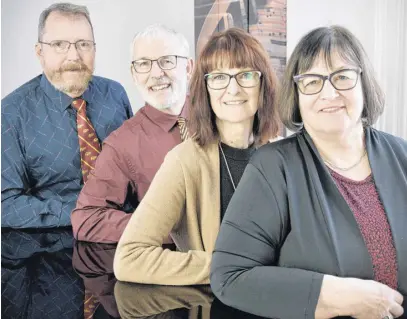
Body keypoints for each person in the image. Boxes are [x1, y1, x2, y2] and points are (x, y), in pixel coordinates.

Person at [210, 25, 406, 319]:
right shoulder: (272, 168)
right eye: (312, 81)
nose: (329, 92)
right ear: (297, 95)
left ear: (364, 84)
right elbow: (229, 276)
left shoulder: (402, 155)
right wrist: (341, 297)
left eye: (342, 77)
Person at [114, 27, 280, 285]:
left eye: (245, 75)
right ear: (204, 89)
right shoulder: (183, 161)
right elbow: (129, 258)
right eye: (219, 77)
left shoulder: (285, 154)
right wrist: (227, 267)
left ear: (263, 84)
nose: (233, 89)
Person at [1, 2, 132, 228]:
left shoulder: (115, 94)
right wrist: (84, 212)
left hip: (127, 232)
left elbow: (135, 171)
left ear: (95, 49)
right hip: (54, 246)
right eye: (59, 44)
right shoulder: (12, 113)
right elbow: (6, 205)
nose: (74, 55)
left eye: (83, 44)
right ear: (40, 52)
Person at [71, 24, 193, 243]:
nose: (157, 73)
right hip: (176, 264)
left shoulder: (222, 111)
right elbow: (87, 219)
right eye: (144, 64)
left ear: (189, 67)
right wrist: (165, 228)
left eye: (167, 60)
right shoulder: (122, 144)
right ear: (134, 75)